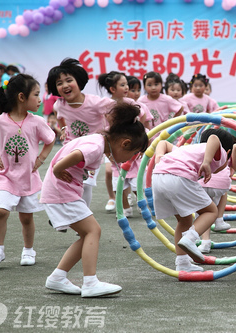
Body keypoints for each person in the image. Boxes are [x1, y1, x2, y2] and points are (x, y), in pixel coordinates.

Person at [41, 103, 148, 297]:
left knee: (87, 234)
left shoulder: (97, 141)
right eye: (132, 154)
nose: (129, 159)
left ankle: (57, 278)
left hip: (63, 192)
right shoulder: (95, 147)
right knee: (93, 231)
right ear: (124, 143)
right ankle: (90, 282)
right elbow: (76, 156)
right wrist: (58, 169)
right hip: (61, 193)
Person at [0, 74, 55, 266]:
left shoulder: (37, 121)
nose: (40, 99)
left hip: (28, 178)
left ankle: (29, 251)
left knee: (26, 218)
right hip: (5, 176)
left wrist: (41, 159)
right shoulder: (0, 121)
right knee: (1, 212)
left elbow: (50, 139)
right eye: (36, 94)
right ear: (21, 97)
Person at [152, 128, 235, 271]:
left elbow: (164, 143)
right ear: (227, 153)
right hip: (179, 177)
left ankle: (183, 263)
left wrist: (159, 156)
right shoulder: (219, 153)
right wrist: (208, 162)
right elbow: (214, 138)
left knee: (184, 220)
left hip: (158, 177)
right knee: (211, 211)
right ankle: (190, 239)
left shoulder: (187, 149)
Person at [47, 58, 116, 207]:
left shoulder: (95, 102)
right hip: (70, 148)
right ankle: (68, 214)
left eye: (68, 80)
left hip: (92, 150)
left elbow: (116, 109)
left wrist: (109, 131)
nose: (65, 85)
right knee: (63, 179)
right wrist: (64, 128)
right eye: (59, 83)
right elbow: (59, 116)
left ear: (78, 81)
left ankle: (83, 218)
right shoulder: (59, 104)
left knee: (86, 184)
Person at [97, 71, 151, 216]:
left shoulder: (132, 103)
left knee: (137, 184)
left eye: (126, 84)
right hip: (116, 150)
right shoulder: (106, 105)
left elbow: (143, 116)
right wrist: (109, 156)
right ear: (112, 89)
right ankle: (125, 209)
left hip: (131, 147)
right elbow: (103, 123)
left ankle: (143, 205)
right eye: (123, 85)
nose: (126, 87)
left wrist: (138, 134)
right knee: (119, 185)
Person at [197, 129, 236, 254]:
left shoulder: (200, 151)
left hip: (200, 184)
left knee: (204, 213)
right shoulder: (227, 153)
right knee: (224, 192)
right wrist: (233, 168)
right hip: (220, 185)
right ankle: (219, 219)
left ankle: (205, 241)